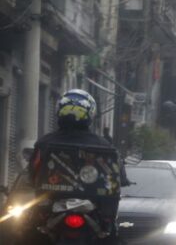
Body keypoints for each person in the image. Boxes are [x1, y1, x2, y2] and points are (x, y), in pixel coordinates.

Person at [27, 89, 125, 244]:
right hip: (90, 207)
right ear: (90, 114)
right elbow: (118, 173)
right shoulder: (104, 145)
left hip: (52, 204)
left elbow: (33, 171)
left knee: (27, 231)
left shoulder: (45, 142)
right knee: (110, 233)